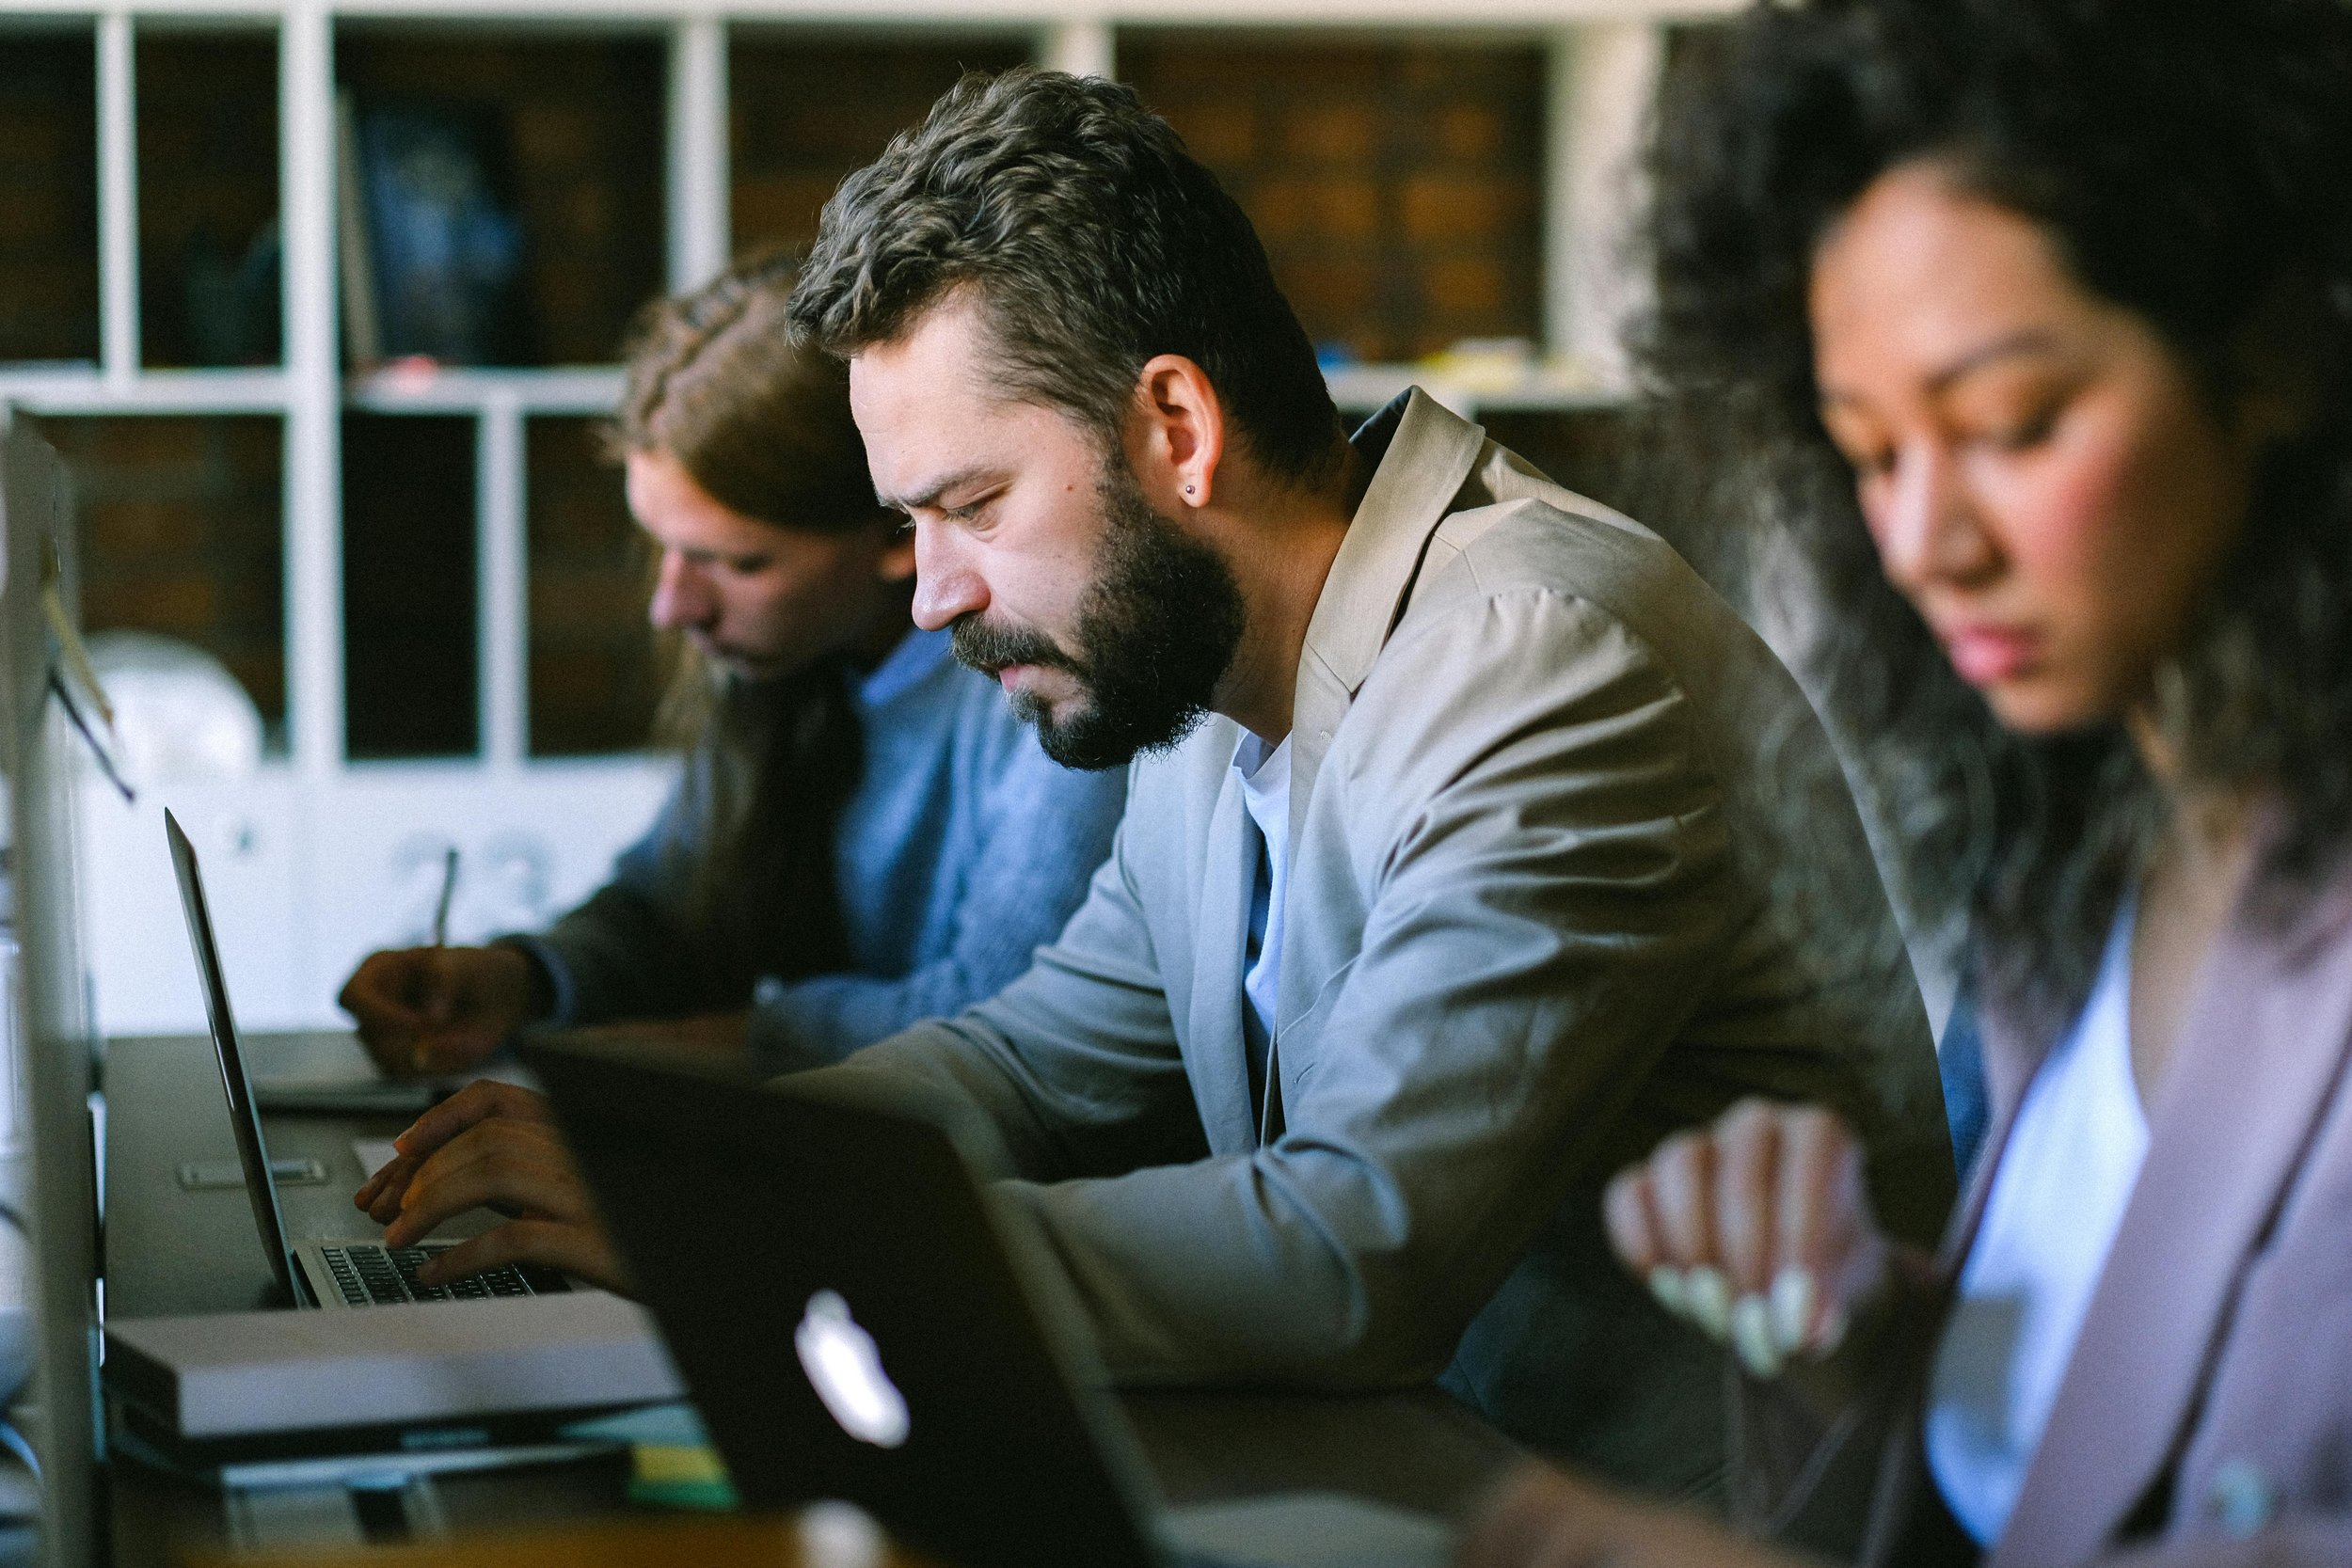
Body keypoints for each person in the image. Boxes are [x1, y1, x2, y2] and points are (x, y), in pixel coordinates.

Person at [354, 69, 1952, 1489]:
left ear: (1176, 428)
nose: (930, 595)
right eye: (911, 526)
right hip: (1403, 1472)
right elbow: (1032, 1064)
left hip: (1652, 1528)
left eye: (969, 503)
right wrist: (688, 1171)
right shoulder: (1210, 681)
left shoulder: (1535, 659)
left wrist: (738, 1232)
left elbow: (1351, 1250)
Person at [1460, 0, 2352, 1563]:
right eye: (1871, 453)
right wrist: (1855, 1333)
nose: (1924, 544)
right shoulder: (2077, 872)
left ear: (2275, 355)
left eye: (2012, 425)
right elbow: (2083, 1438)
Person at [338, 254, 1125, 1075]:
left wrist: (731, 1042)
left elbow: (1002, 1015)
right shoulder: (787, 662)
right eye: (665, 549)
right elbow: (674, 913)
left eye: (737, 562)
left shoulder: (1045, 687)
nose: (673, 606)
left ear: (899, 526)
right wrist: (519, 977)